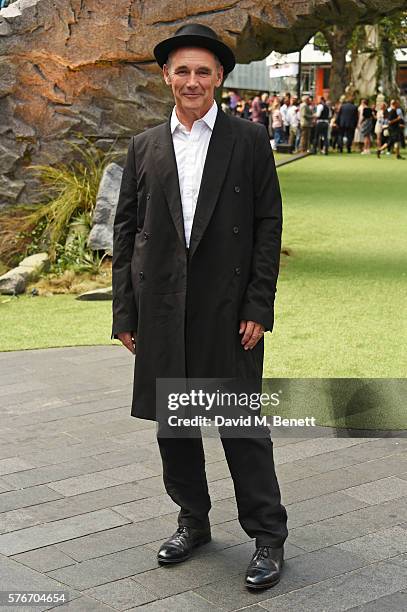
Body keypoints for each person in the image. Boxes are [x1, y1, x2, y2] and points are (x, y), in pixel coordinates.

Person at [111, 22, 288, 591]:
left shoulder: (248, 140)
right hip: (162, 308)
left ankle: (267, 536)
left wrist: (259, 305)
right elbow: (127, 232)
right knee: (176, 428)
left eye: (202, 71)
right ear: (167, 76)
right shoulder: (144, 146)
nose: (192, 80)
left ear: (219, 79)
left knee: (240, 427)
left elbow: (267, 227)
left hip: (228, 310)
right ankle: (194, 521)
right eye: (182, 70)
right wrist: (125, 313)